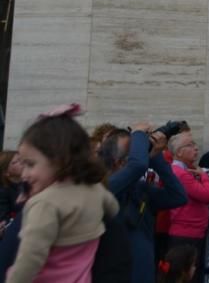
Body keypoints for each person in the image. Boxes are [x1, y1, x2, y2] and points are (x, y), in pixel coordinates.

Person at [6, 104, 119, 283]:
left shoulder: (45, 204)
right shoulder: (95, 189)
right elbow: (113, 209)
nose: (24, 174)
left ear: (59, 160)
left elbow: (30, 259)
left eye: (30, 164)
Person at [102, 124, 187, 283]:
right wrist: (139, 133)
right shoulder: (105, 188)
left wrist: (156, 158)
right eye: (133, 152)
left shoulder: (139, 188)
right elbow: (138, 165)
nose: (138, 154)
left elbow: (178, 196)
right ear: (117, 162)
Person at [168, 132, 209, 280]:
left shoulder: (185, 170)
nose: (196, 148)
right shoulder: (179, 173)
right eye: (190, 145)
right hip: (187, 233)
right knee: (187, 275)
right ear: (179, 152)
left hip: (192, 231)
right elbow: (206, 195)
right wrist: (205, 177)